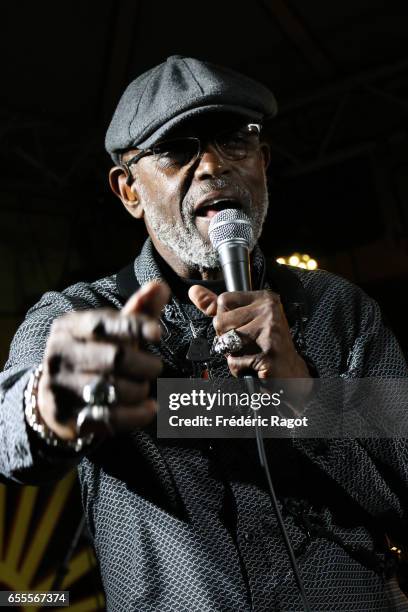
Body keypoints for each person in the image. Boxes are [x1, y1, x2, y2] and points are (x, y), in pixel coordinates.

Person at [1, 55, 407, 612]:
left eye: (234, 141)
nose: (214, 164)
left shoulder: (342, 312)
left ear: (263, 162)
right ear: (129, 191)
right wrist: (50, 405)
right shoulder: (81, 317)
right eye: (176, 150)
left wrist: (302, 392)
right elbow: (8, 436)